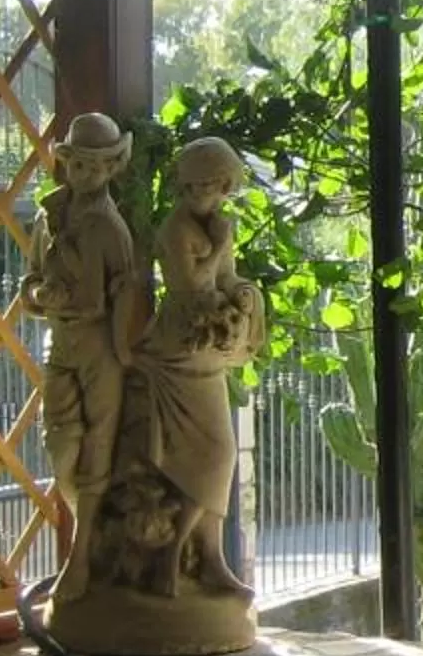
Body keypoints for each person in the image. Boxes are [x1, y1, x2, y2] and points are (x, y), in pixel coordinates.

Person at [97, 135, 262, 600]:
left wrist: (244, 295)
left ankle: (202, 558)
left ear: (225, 187)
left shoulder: (218, 224)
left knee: (217, 456)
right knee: (213, 455)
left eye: (207, 188)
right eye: (190, 188)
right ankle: (181, 560)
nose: (198, 196)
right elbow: (191, 285)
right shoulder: (175, 230)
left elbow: (225, 279)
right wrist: (219, 248)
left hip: (206, 348)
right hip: (179, 348)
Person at [27, 112, 136, 591]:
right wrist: (38, 298)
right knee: (60, 443)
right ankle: (89, 546)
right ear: (65, 162)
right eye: (78, 164)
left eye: (97, 167)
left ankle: (88, 557)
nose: (86, 174)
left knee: (98, 449)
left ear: (112, 169)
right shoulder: (47, 217)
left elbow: (126, 299)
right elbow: (30, 280)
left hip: (99, 349)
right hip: (60, 341)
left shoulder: (112, 229)